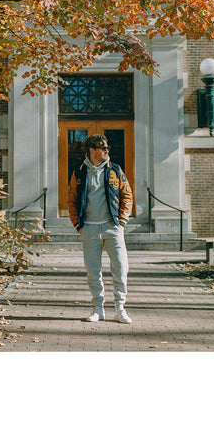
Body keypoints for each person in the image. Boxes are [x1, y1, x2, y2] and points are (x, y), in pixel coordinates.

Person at [66, 134, 134, 324]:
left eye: (107, 147)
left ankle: (120, 309)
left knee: (120, 269)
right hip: (89, 229)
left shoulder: (115, 170)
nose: (106, 150)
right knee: (93, 271)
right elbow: (72, 200)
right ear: (92, 150)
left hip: (113, 227)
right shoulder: (79, 172)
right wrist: (79, 225)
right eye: (102, 147)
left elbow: (127, 195)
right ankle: (98, 309)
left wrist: (122, 222)